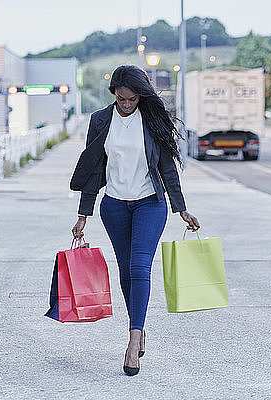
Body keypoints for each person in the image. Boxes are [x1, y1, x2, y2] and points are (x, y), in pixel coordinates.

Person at [70, 65, 200, 376]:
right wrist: (83, 213)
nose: (127, 104)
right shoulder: (100, 120)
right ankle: (138, 327)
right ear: (113, 94)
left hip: (149, 204)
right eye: (122, 99)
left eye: (132, 99)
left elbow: (167, 168)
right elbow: (93, 168)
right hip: (114, 206)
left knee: (140, 266)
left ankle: (132, 340)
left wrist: (181, 208)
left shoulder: (152, 118)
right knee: (126, 271)